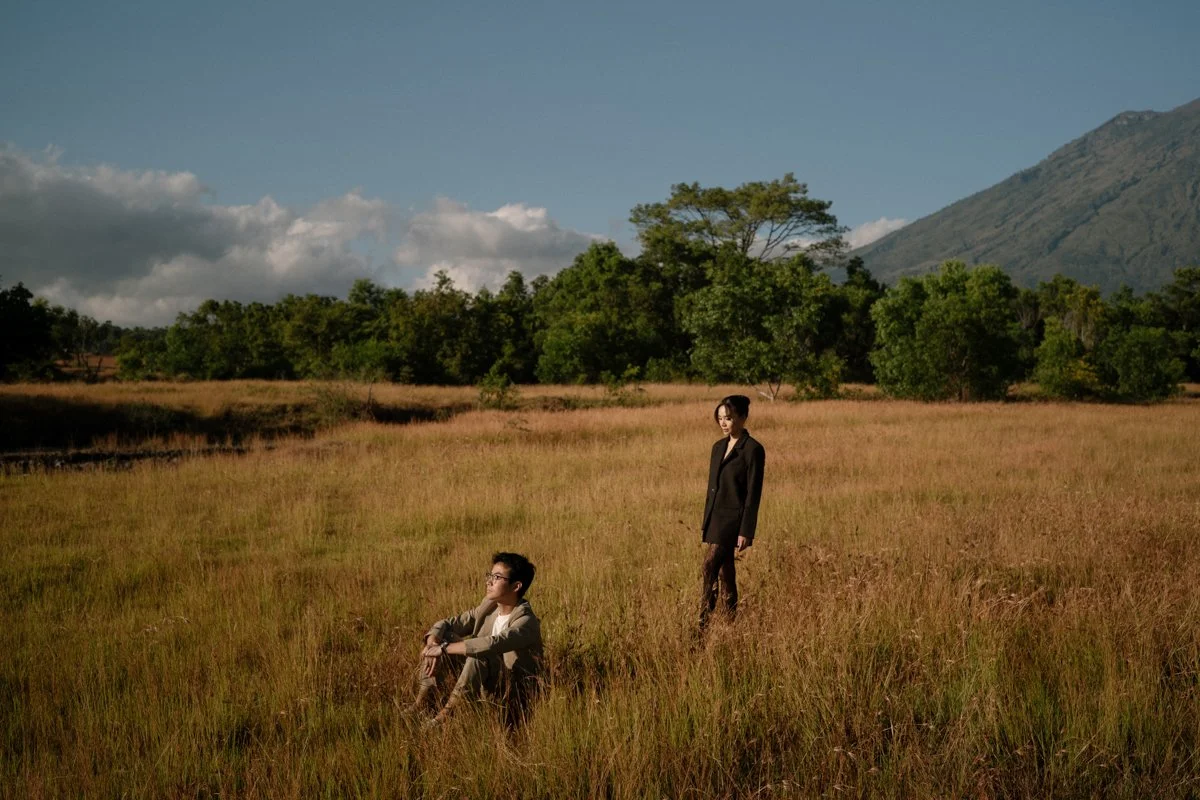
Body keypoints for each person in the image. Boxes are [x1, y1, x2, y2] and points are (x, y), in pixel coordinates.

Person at [407, 552, 543, 728]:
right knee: (442, 637)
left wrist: (443, 648)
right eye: (490, 575)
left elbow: (493, 644)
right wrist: (433, 642)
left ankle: (444, 718)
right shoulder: (489, 605)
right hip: (484, 677)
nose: (489, 581)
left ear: (516, 586)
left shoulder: (526, 622)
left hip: (513, 690)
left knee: (480, 653)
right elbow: (448, 624)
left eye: (497, 577)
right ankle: (421, 704)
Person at [699, 395, 765, 629]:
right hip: (715, 518)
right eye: (720, 418)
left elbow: (752, 493)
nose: (724, 423)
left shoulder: (753, 450)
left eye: (728, 418)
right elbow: (713, 488)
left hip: (733, 520)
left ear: (743, 417)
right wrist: (706, 521)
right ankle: (730, 623)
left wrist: (746, 530)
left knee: (708, 566)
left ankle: (701, 623)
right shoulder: (717, 447)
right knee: (726, 574)